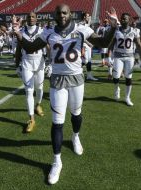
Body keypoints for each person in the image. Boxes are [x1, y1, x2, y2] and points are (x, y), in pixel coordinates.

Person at [12, 4, 118, 185]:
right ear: (54, 14)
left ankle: (75, 136)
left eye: (64, 12)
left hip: (76, 79)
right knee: (57, 122)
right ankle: (56, 161)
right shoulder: (48, 32)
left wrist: (114, 27)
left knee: (76, 114)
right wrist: (17, 33)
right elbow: (29, 48)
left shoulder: (81, 29)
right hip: (58, 80)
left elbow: (103, 43)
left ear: (70, 14)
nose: (61, 15)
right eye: (58, 12)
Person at [15, 12, 45, 133]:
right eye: (29, 17)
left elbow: (47, 46)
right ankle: (31, 119)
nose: (31, 18)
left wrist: (49, 62)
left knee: (39, 88)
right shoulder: (21, 31)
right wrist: (17, 65)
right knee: (28, 91)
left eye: (33, 17)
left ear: (36, 19)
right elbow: (18, 48)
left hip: (39, 63)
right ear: (26, 19)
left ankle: (38, 104)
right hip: (26, 63)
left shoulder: (42, 30)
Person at [108, 13, 141, 106]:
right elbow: (111, 44)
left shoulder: (134, 31)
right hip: (118, 56)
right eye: (121, 18)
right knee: (116, 76)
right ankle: (116, 88)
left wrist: (140, 56)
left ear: (129, 20)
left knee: (128, 78)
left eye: (124, 19)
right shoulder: (116, 30)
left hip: (129, 57)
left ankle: (127, 97)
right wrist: (108, 57)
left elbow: (138, 45)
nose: (122, 20)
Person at [80, 12, 98, 80]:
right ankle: (78, 70)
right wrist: (88, 43)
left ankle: (89, 75)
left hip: (88, 45)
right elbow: (81, 37)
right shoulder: (81, 24)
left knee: (89, 60)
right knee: (85, 61)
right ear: (84, 17)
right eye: (87, 16)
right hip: (84, 44)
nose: (89, 17)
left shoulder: (86, 24)